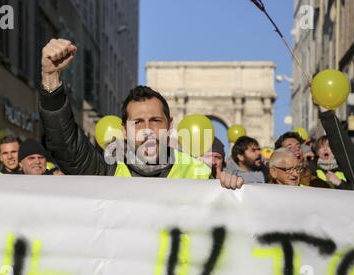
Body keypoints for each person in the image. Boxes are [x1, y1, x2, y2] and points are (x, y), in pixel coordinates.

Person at [38, 38, 243, 190]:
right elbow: (64, 145)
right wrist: (50, 77)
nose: (147, 131)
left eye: (155, 121)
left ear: (170, 125)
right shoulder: (108, 169)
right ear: (124, 131)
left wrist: (229, 191)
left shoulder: (199, 173)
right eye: (138, 123)